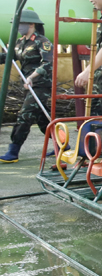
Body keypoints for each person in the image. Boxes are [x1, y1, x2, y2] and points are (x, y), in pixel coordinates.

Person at [0, 10, 53, 163]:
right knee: (43, 120)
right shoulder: (20, 42)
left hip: (40, 85)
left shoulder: (42, 42)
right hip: (28, 86)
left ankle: (13, 151)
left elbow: (49, 62)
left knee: (25, 115)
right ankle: (62, 144)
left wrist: (31, 77)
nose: (18, 27)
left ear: (31, 24)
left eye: (20, 24)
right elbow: (9, 57)